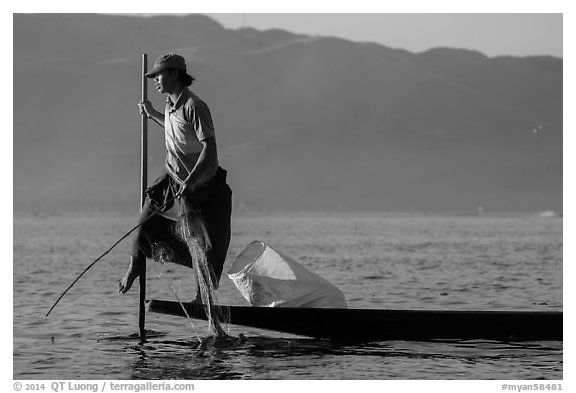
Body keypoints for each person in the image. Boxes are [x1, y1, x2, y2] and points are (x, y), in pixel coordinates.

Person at [118, 53, 232, 297]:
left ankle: (202, 298)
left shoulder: (194, 106)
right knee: (143, 226)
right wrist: (152, 114)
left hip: (200, 184)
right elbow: (176, 130)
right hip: (171, 177)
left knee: (200, 244)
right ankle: (135, 267)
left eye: (158, 75)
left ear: (174, 74)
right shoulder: (171, 105)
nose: (155, 80)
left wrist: (192, 181)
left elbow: (209, 150)